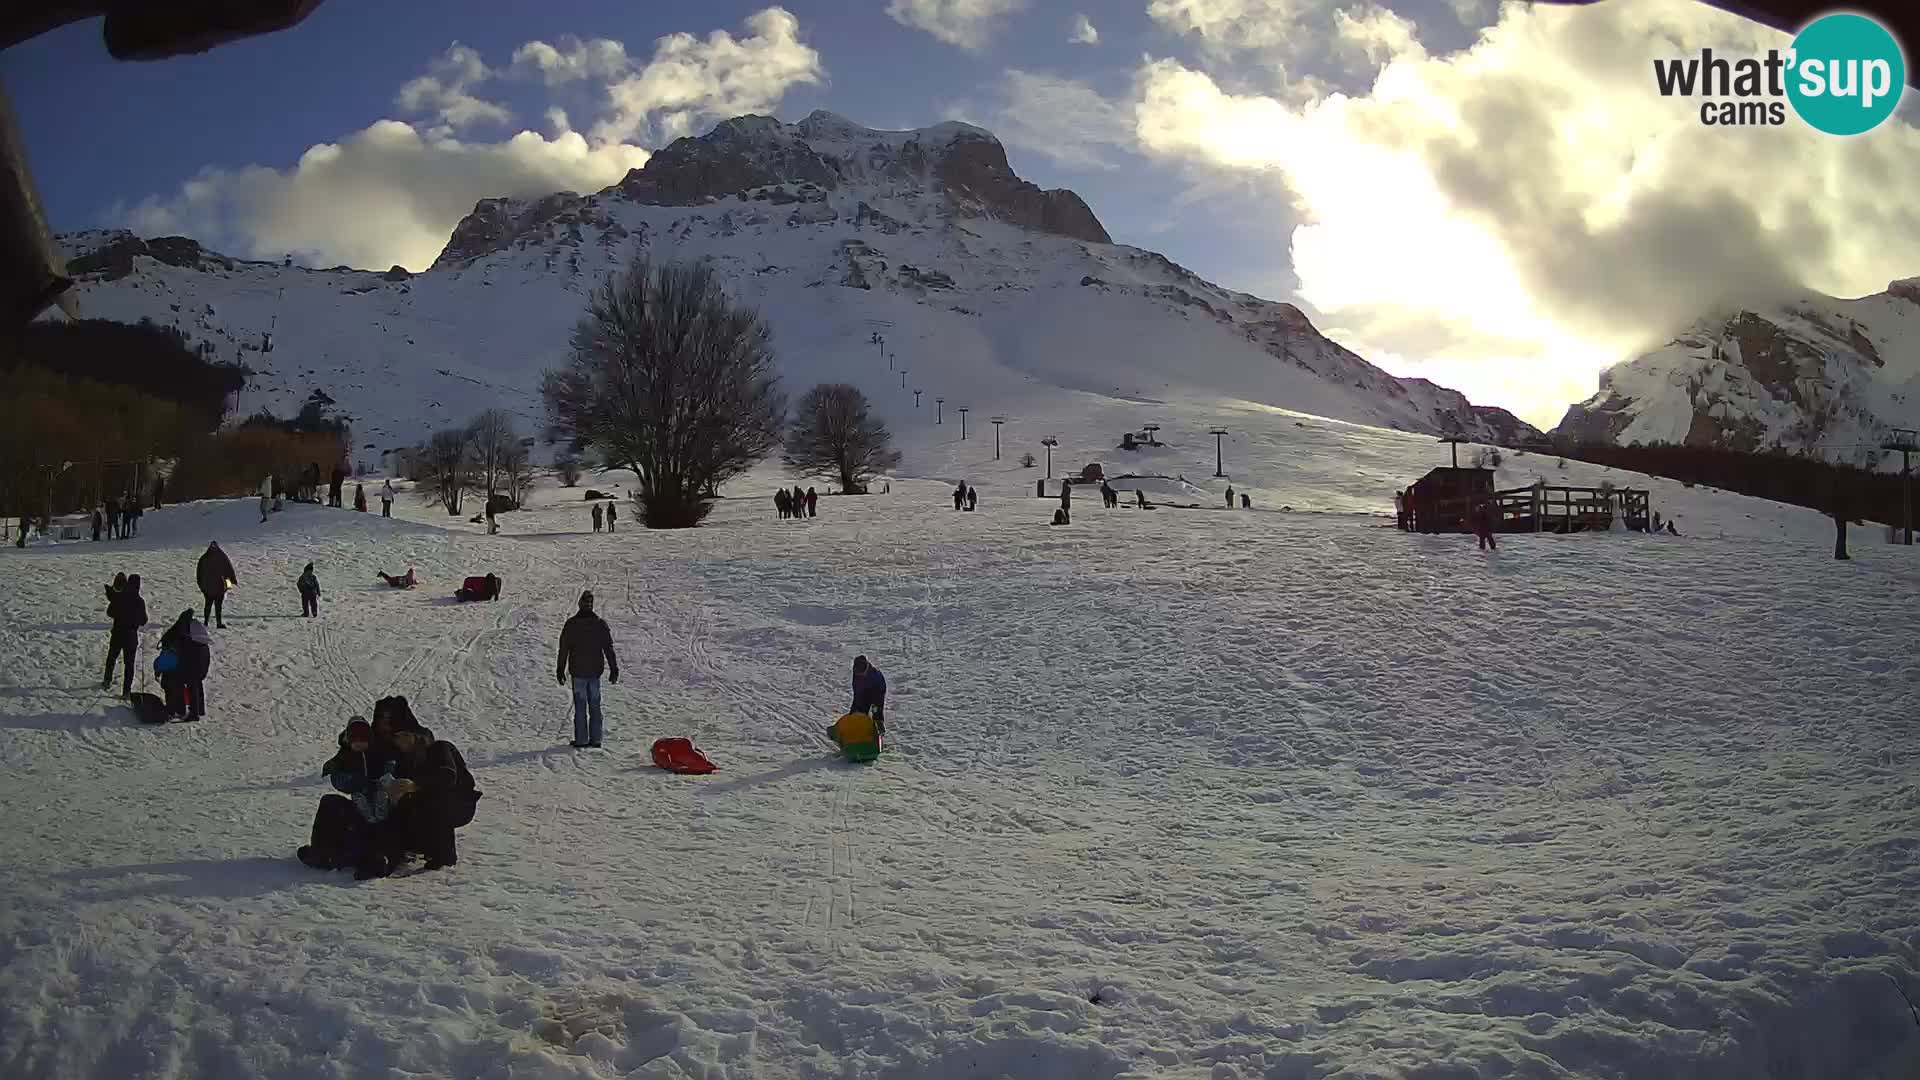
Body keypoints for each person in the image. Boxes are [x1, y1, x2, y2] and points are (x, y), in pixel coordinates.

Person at [376, 716, 480, 874]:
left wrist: (415, 785)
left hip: (459, 803)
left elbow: (447, 777)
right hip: (432, 804)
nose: (400, 741)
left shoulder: (439, 748)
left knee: (436, 802)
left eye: (405, 735)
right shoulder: (405, 759)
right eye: (397, 737)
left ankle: (444, 856)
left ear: (415, 734)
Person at [301, 717, 396, 876]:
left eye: (363, 740)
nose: (359, 744)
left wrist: (385, 778)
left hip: (385, 807)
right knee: (330, 802)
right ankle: (322, 853)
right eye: (355, 740)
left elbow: (393, 769)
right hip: (359, 806)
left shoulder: (382, 751)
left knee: (381, 823)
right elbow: (339, 781)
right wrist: (356, 781)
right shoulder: (344, 756)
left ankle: (376, 859)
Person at [557, 590, 618, 749]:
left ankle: (582, 739)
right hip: (594, 672)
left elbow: (564, 648)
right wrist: (613, 668)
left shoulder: (571, 624)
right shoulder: (599, 624)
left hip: (578, 672)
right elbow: (608, 648)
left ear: (579, 604)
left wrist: (560, 669)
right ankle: (596, 739)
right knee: (595, 706)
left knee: (581, 707)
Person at [158, 609, 210, 720]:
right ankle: (198, 710)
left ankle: (179, 710)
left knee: (175, 682)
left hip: (190, 666)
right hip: (202, 663)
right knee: (196, 685)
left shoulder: (180, 631)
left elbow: (169, 645)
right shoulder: (196, 628)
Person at [103, 573, 147, 696]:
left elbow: (109, 612)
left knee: (111, 658)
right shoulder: (139, 601)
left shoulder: (120, 597)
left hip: (117, 633)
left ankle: (107, 681)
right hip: (131, 637)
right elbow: (144, 620)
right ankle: (126, 692)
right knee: (129, 664)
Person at [196, 541, 237, 628]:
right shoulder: (221, 557)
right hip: (216, 587)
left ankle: (208, 622)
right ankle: (214, 623)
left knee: (210, 605)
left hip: (212, 587)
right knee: (215, 606)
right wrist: (229, 584)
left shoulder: (205, 558)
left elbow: (227, 571)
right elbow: (228, 571)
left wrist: (202, 587)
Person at [850, 655, 886, 735]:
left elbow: (879, 697)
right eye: (858, 673)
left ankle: (879, 728)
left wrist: (875, 707)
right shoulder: (856, 673)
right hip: (863, 690)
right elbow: (857, 693)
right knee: (859, 710)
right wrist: (854, 711)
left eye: (861, 673)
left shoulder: (875, 676)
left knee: (877, 711)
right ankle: (857, 729)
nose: (859, 675)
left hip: (877, 691)